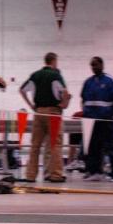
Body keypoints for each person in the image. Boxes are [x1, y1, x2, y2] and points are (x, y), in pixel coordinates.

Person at [18, 52, 70, 183]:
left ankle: (30, 175)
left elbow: (22, 90)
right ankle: (56, 174)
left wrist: (31, 106)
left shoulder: (35, 75)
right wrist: (64, 104)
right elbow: (65, 92)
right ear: (53, 61)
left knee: (35, 145)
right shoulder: (55, 75)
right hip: (53, 112)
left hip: (39, 112)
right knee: (55, 144)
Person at [81, 56, 113, 182]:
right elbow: (83, 100)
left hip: (106, 120)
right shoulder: (88, 82)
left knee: (111, 146)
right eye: (91, 65)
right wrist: (86, 114)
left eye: (95, 65)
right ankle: (95, 172)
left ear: (102, 65)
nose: (93, 67)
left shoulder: (111, 81)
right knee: (92, 147)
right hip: (90, 120)